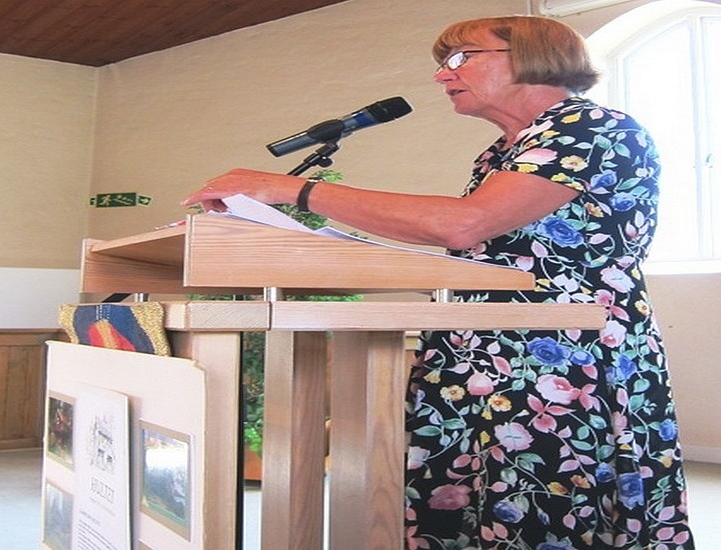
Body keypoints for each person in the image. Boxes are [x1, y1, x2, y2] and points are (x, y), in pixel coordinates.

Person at [182, 15, 694, 550]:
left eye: (460, 57)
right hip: (484, 347)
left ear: (531, 56)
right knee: (473, 505)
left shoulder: (591, 127)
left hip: (564, 355)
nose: (442, 75)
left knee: (541, 500)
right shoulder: (503, 150)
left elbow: (465, 224)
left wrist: (293, 189)